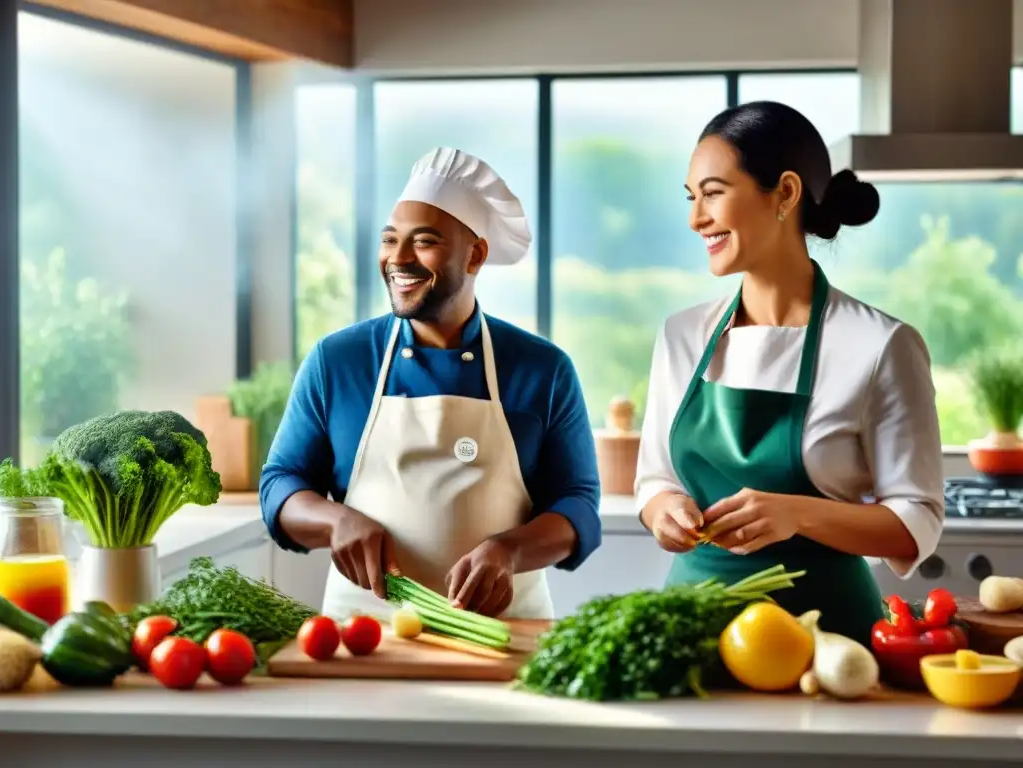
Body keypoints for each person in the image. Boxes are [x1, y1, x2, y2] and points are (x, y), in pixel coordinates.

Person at [635, 101, 944, 646]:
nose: (695, 218)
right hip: (692, 630)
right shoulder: (682, 335)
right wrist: (665, 512)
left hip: (831, 641)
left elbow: (915, 521)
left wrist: (795, 514)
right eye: (691, 198)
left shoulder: (881, 345)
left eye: (712, 193)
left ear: (784, 193)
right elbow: (655, 480)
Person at [260, 147, 601, 621]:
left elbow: (578, 507)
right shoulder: (338, 361)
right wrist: (335, 520)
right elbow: (280, 485)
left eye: (423, 241)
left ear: (476, 254)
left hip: (505, 634)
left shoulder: (542, 369)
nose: (398, 259)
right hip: (364, 634)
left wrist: (510, 551)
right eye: (389, 240)